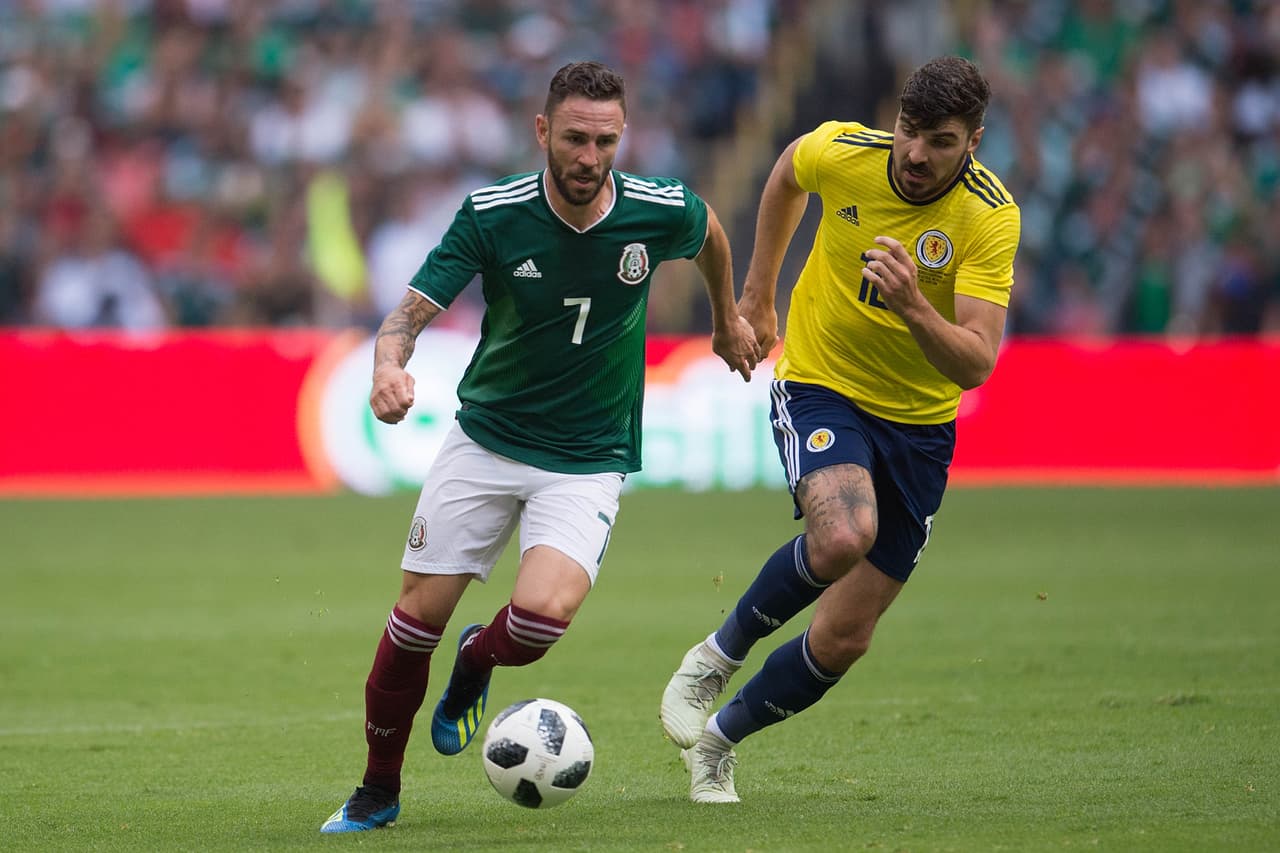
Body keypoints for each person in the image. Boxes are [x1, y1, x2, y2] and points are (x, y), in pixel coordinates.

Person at [321, 60, 761, 833]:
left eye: (605, 140)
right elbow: (408, 314)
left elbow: (712, 234)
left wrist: (726, 319)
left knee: (541, 618)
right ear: (541, 132)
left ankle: (477, 661)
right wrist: (389, 365)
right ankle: (377, 789)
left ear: (622, 136)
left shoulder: (659, 209)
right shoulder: (493, 215)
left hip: (590, 453)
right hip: (488, 437)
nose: (589, 156)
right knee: (413, 618)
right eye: (574, 138)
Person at [659, 55, 1021, 803]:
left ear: (973, 141)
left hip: (920, 429)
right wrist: (758, 296)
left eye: (940, 141)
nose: (916, 154)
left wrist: (918, 306)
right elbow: (789, 170)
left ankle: (719, 743)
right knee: (842, 533)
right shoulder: (847, 153)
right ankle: (715, 656)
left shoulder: (990, 217)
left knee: (844, 637)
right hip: (822, 382)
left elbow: (978, 362)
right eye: (909, 130)